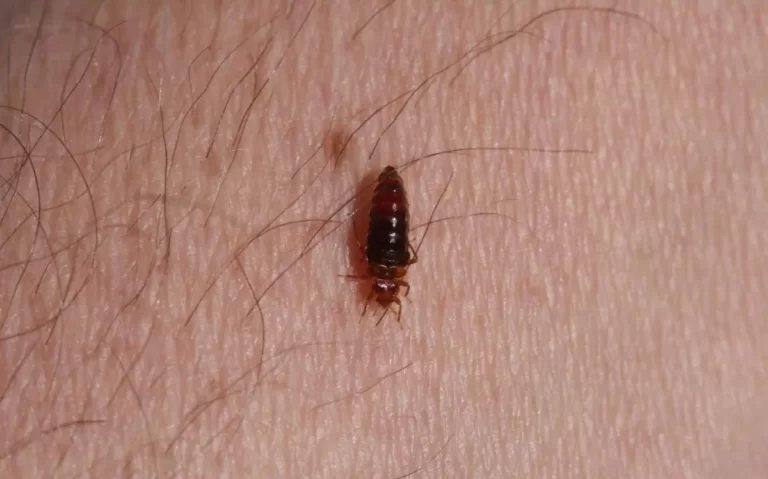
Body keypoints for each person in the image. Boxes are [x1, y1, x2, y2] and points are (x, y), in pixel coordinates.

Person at [0, 1, 764, 477]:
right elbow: (388, 233)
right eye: (384, 288)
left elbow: (388, 235)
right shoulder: (381, 255)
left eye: (382, 287)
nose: (381, 289)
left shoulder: (380, 254)